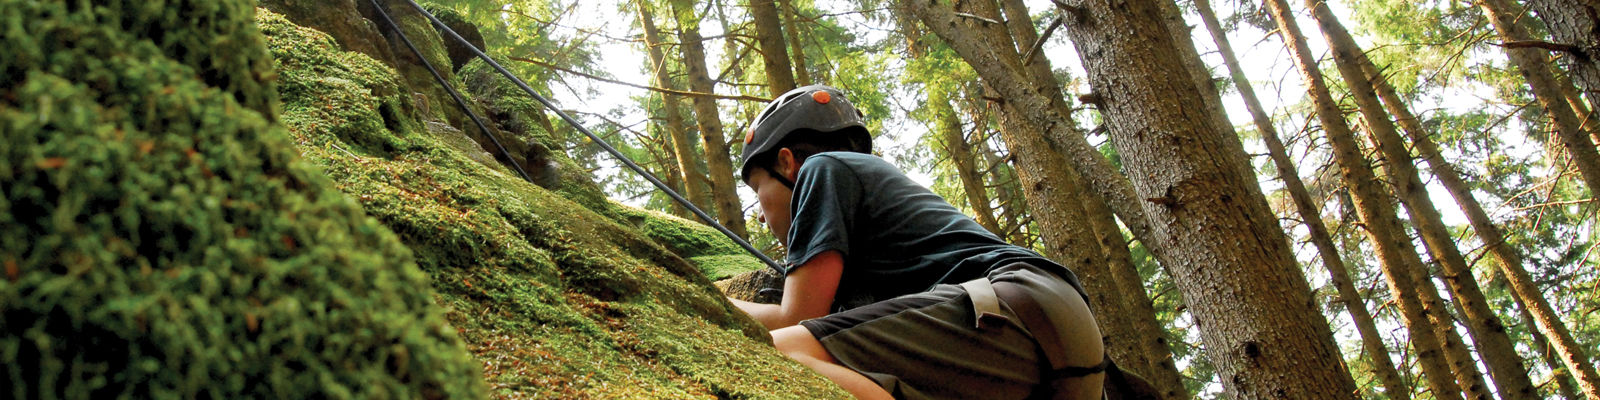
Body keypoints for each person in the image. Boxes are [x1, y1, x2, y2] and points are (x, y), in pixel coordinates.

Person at [727, 84, 1108, 400]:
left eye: (757, 189)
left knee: (781, 352)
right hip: (1061, 344)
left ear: (787, 161)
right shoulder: (877, 227)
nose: (760, 214)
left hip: (1011, 308)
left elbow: (794, 319)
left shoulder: (822, 168)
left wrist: (704, 293)